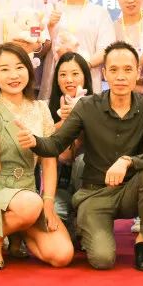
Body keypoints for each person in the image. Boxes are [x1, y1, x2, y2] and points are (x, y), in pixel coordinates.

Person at [27, 42, 143, 271]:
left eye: (128, 69)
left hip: (130, 190)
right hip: (95, 193)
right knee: (102, 260)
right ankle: (85, 224)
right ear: (105, 73)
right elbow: (56, 144)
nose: (121, 76)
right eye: (114, 70)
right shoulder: (87, 106)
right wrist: (33, 141)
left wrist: (127, 161)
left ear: (138, 72)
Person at [0, 43, 74, 269]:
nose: (13, 75)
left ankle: (17, 232)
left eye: (19, 67)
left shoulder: (41, 109)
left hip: (28, 197)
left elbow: (49, 162)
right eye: (4, 69)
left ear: (29, 69)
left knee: (62, 255)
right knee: (30, 204)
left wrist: (48, 203)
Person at [41, 0, 114, 95]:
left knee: (87, 107)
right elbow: (40, 48)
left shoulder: (100, 13)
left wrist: (84, 67)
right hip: (55, 80)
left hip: (88, 78)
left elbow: (106, 49)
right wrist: (49, 27)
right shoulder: (51, 9)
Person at [46, 52, 94, 236]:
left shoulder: (97, 105)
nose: (69, 80)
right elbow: (57, 153)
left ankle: (84, 218)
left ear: (85, 77)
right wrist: (63, 124)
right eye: (63, 74)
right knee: (54, 220)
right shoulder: (45, 108)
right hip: (58, 186)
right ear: (56, 80)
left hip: (88, 186)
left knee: (83, 161)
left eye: (75, 74)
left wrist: (80, 120)